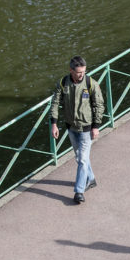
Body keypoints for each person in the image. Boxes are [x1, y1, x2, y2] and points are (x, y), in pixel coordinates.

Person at [50, 55, 104, 205]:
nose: (82, 75)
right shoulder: (63, 83)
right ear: (71, 70)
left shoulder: (90, 83)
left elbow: (99, 105)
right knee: (80, 157)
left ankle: (79, 191)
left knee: (81, 159)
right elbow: (55, 103)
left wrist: (96, 126)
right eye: (79, 72)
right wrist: (54, 123)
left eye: (84, 72)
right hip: (71, 127)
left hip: (86, 128)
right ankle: (91, 179)